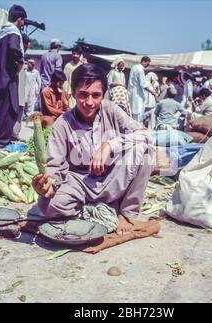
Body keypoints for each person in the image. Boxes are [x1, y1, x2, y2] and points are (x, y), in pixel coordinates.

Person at [33, 63, 154, 235]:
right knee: (47, 206)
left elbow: (145, 134)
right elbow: (55, 166)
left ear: (103, 95)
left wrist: (109, 145)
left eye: (96, 95)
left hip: (112, 177)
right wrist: (47, 186)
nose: (89, 102)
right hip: (80, 183)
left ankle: (126, 213)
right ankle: (101, 207)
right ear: (73, 93)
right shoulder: (62, 123)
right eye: (83, 95)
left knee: (146, 153)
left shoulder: (110, 110)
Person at [0, 4, 27, 148]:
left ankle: (1, 139)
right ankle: (2, 141)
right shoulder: (13, 33)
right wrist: (20, 61)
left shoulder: (0, 32)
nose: (23, 24)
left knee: (2, 108)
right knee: (10, 109)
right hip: (9, 77)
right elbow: (13, 49)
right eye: (23, 21)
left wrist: (0, 60)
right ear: (20, 19)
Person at [128, 56, 157, 122]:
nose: (148, 65)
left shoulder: (134, 67)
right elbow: (143, 84)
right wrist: (152, 92)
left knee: (132, 113)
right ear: (143, 61)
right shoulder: (140, 70)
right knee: (138, 113)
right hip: (137, 95)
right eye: (147, 63)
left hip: (132, 93)